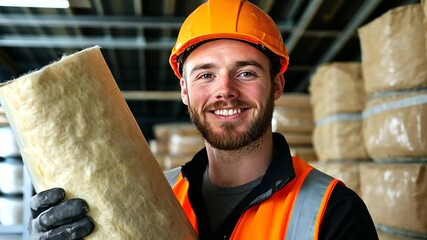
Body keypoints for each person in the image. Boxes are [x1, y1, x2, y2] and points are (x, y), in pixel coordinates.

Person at [28, 0, 379, 239]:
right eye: (205, 75)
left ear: (277, 85)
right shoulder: (150, 194)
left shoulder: (333, 210)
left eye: (245, 73)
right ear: (184, 90)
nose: (224, 91)